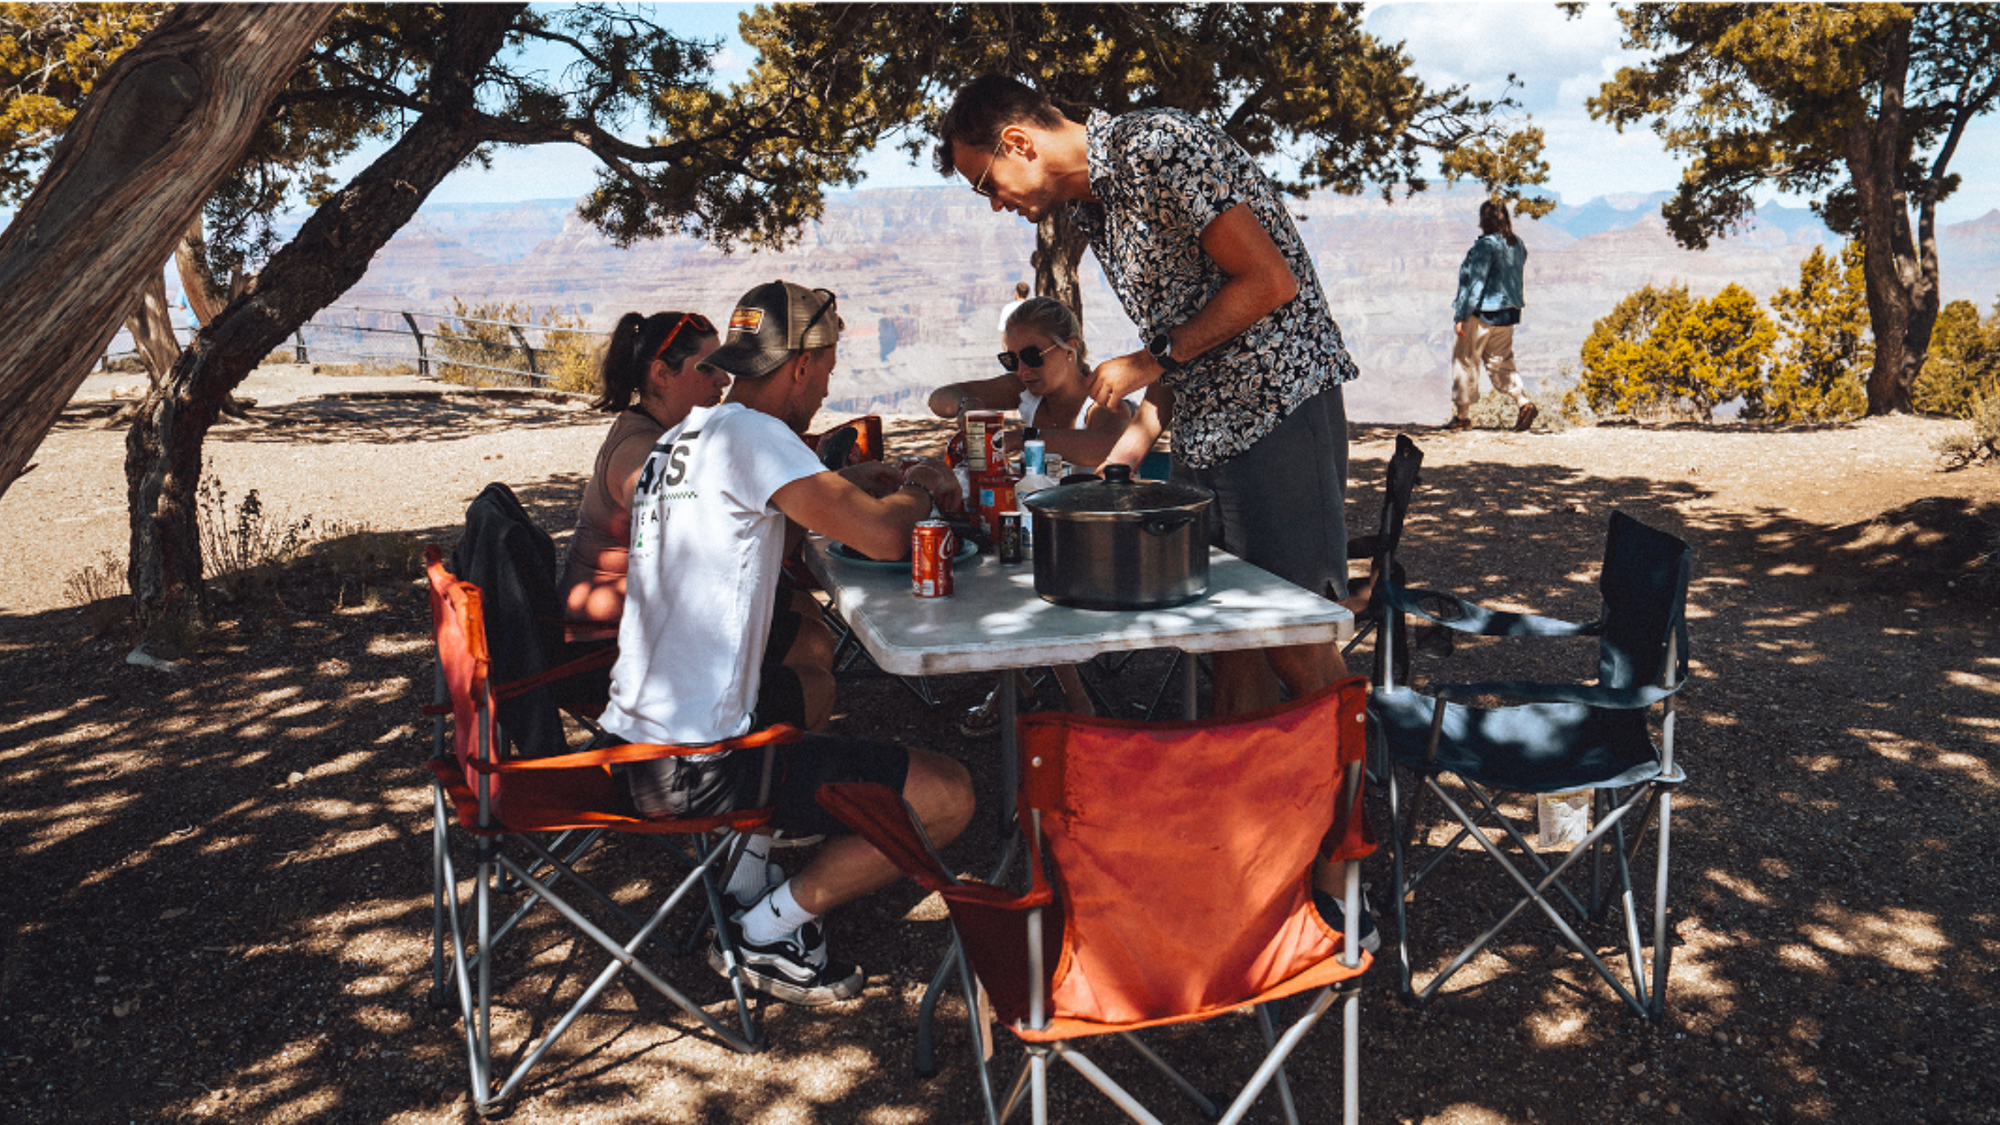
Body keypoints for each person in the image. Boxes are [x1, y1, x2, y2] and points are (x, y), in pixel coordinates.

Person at [934, 75, 1356, 721]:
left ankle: (1359, 799)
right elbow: (1192, 325)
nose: (994, 203)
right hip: (1204, 428)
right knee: (1225, 640)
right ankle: (1251, 810)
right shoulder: (1092, 208)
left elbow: (1269, 281)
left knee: (1291, 637)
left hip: (1277, 407)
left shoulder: (1154, 146)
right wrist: (1133, 446)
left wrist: (1149, 359)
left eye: (986, 182)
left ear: (1018, 143)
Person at [601, 279, 975, 1006]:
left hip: (638, 746)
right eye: (828, 370)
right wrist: (926, 486)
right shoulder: (753, 433)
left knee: (808, 682)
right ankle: (769, 928)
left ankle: (745, 875)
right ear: (800, 365)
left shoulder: (689, 434)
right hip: (697, 768)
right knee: (950, 793)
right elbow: (890, 535)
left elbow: (775, 517)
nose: (827, 389)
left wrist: (851, 485)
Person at [556, 311, 836, 731]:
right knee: (811, 653)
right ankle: (765, 767)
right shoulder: (639, 451)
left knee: (801, 609)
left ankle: (774, 750)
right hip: (607, 647)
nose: (723, 381)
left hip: (653, 629)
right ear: (661, 375)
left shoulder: (663, 435)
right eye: (709, 368)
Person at [928, 295, 1159, 469]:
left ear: (1070, 348)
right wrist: (965, 405)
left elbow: (1112, 446)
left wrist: (1023, 439)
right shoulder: (1025, 388)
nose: (1022, 370)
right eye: (1011, 359)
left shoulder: (1098, 400)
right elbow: (938, 399)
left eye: (1031, 356)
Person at [1445, 199, 1536, 433]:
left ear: (1484, 220)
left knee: (1465, 361)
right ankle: (1523, 402)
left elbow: (1476, 283)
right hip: (1508, 314)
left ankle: (1462, 417)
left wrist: (1461, 315)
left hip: (1481, 313)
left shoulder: (1486, 245)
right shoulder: (1517, 244)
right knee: (1500, 362)